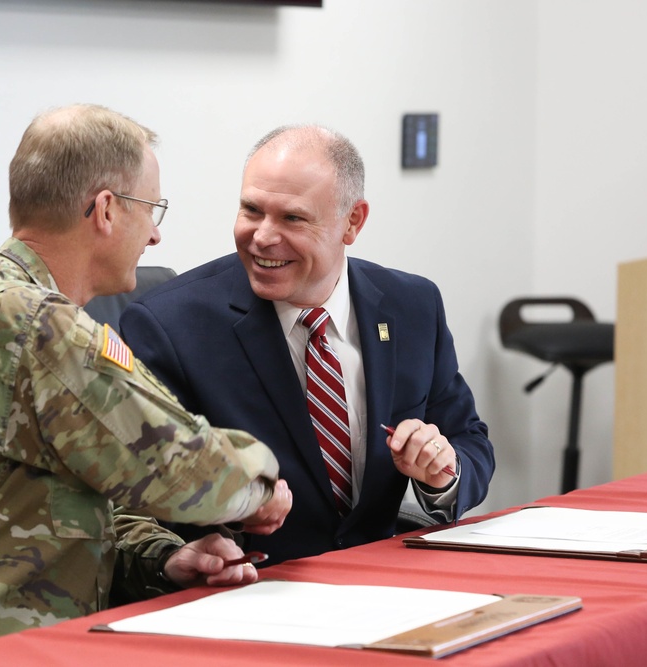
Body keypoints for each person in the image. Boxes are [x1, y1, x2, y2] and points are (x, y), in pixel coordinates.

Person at [0, 104, 292, 660]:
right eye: (152, 209)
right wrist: (261, 485)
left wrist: (161, 560)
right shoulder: (26, 322)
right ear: (104, 210)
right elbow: (183, 468)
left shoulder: (1, 304)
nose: (156, 236)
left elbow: (65, 507)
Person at [120, 124, 494, 565]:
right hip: (249, 592)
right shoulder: (170, 324)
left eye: (292, 218)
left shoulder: (412, 306)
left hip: (386, 583)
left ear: (352, 221)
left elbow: (468, 438)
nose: (262, 236)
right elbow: (142, 496)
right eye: (251, 210)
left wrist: (441, 472)